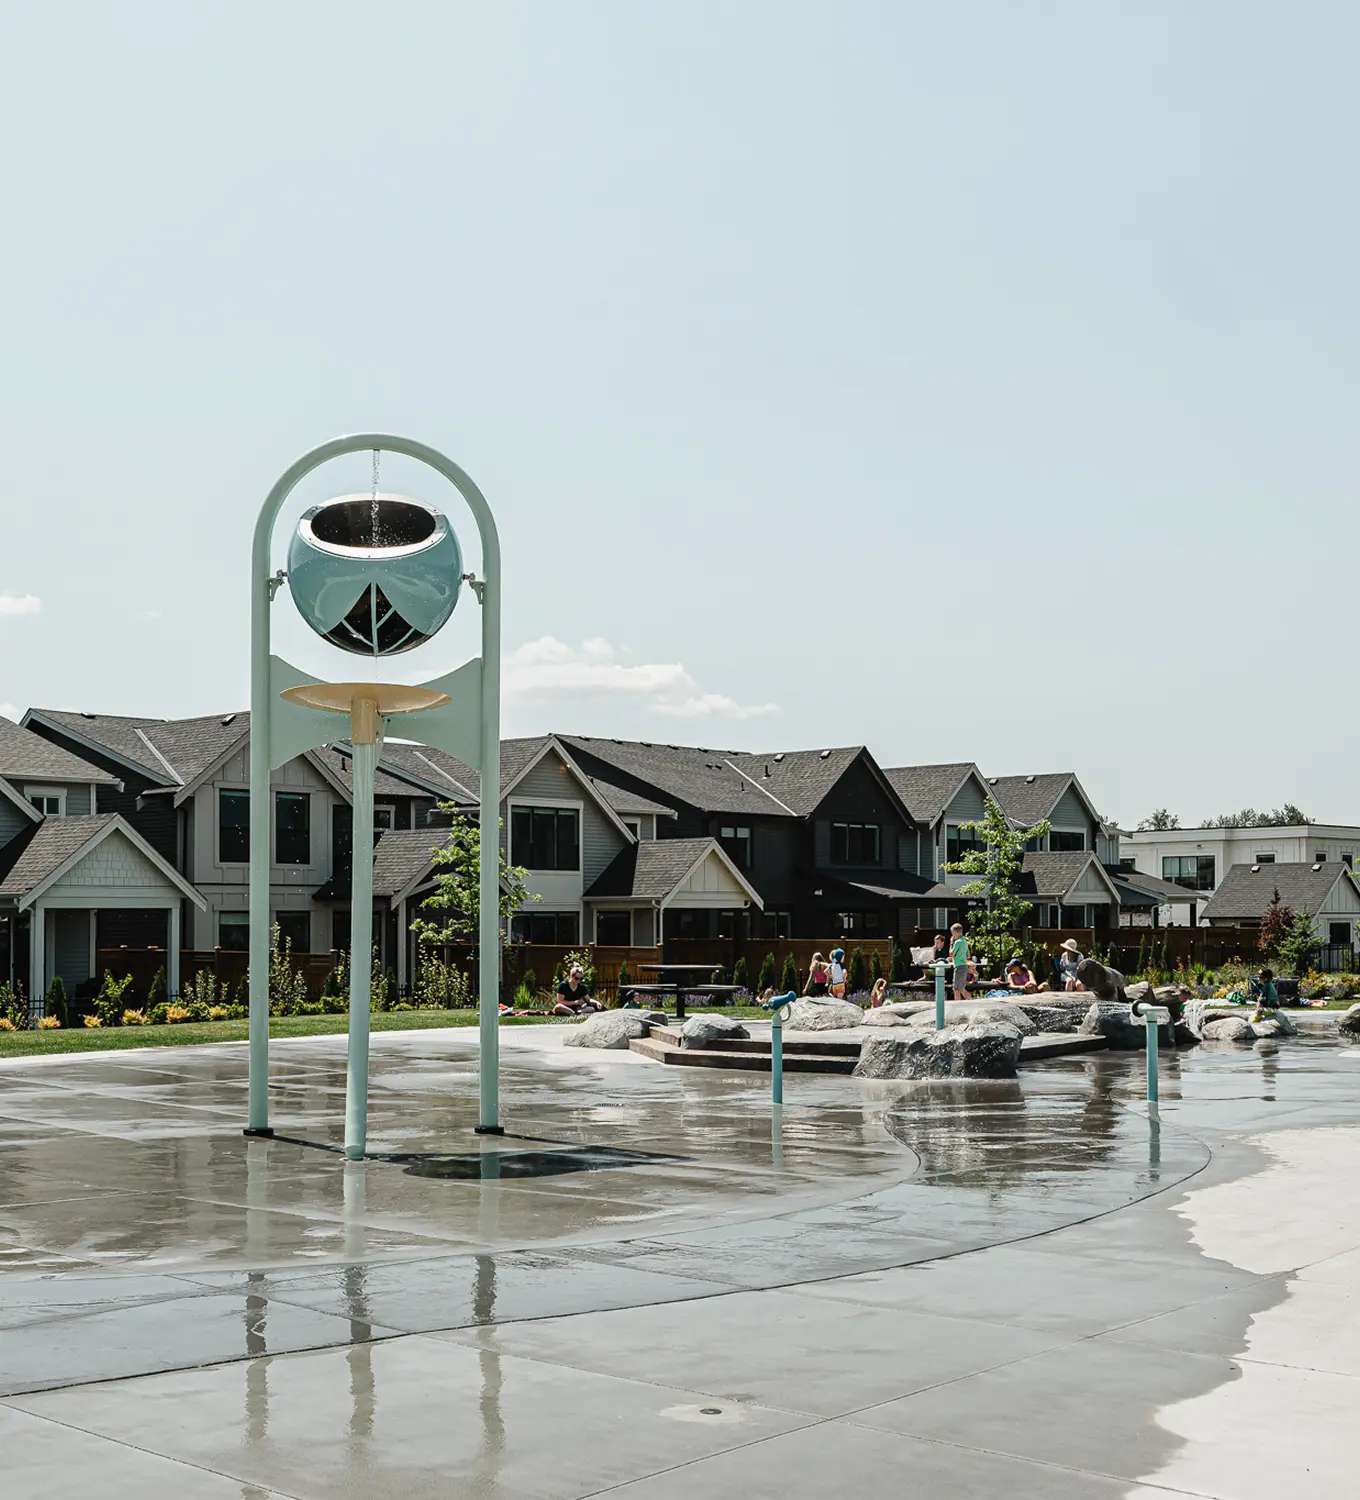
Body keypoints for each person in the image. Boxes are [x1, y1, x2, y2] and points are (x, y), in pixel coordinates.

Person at [950, 923, 970, 1001]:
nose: (952, 935)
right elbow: (968, 955)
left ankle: (957, 1007)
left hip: (959, 967)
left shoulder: (957, 942)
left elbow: (951, 954)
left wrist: (951, 943)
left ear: (955, 932)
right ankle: (972, 1001)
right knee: (961, 988)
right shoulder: (964, 941)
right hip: (964, 966)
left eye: (952, 933)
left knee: (956, 989)